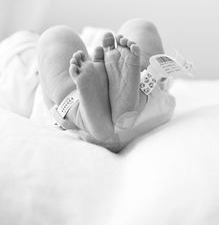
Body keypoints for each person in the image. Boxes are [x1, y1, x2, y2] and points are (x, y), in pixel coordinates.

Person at [37, 19, 175, 152]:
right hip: (146, 101)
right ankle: (139, 80)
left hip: (79, 101)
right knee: (140, 27)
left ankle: (80, 112)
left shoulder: (24, 51)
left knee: (56, 37)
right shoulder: (116, 48)